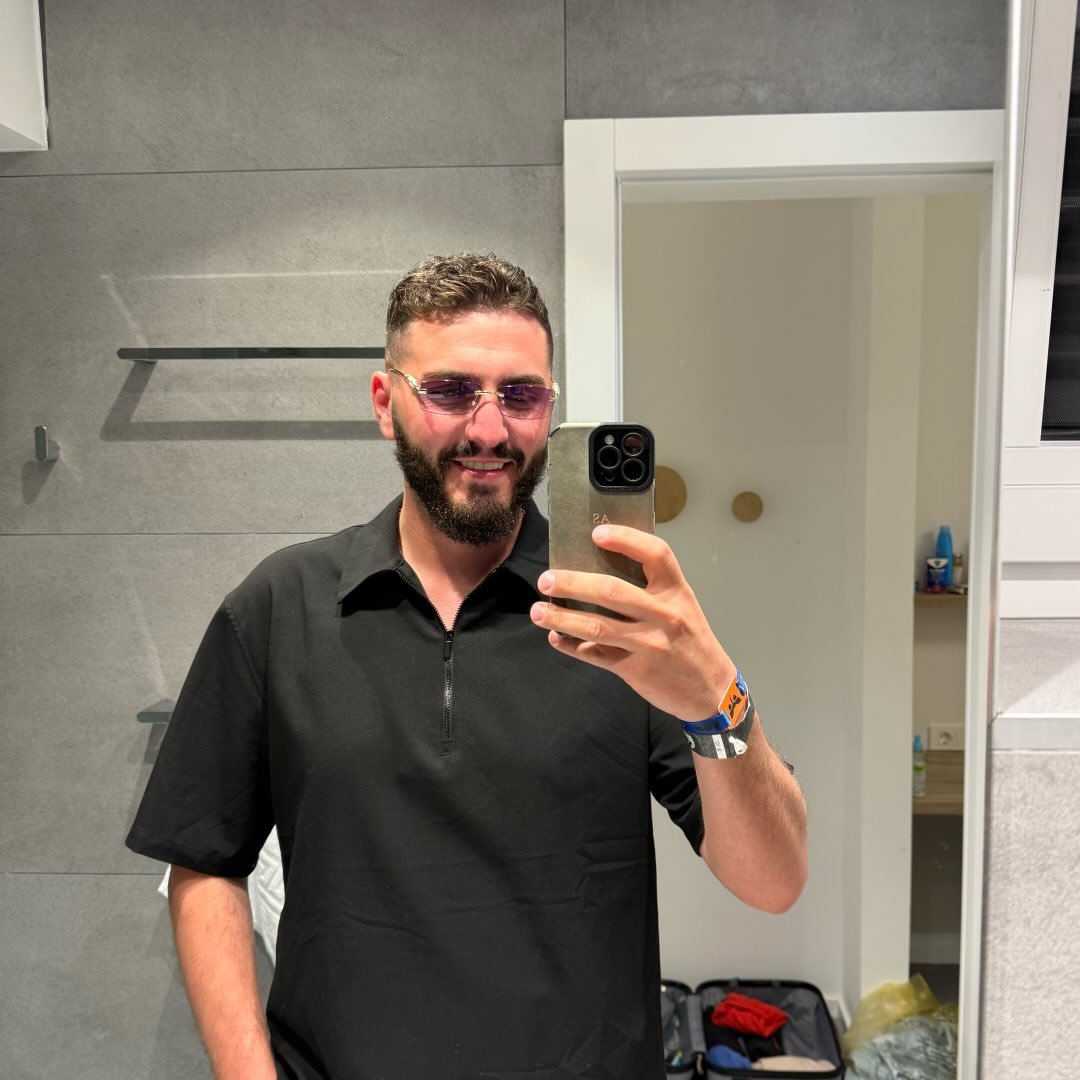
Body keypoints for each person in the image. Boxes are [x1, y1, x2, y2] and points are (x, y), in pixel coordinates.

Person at [126, 252, 807, 1080]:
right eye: (450, 391)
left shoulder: (620, 620)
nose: (489, 431)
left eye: (521, 395)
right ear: (386, 404)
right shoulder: (280, 606)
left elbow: (774, 882)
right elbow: (204, 862)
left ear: (550, 407)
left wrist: (714, 697)